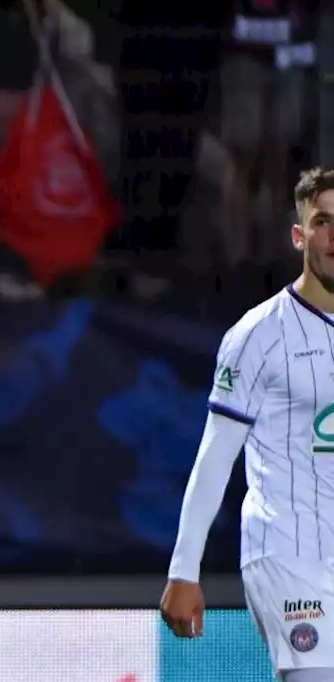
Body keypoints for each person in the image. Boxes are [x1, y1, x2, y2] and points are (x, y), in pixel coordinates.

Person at [162, 167, 334, 682]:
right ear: (299, 235)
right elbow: (216, 456)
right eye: (323, 222)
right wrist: (182, 569)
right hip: (288, 552)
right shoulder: (258, 336)